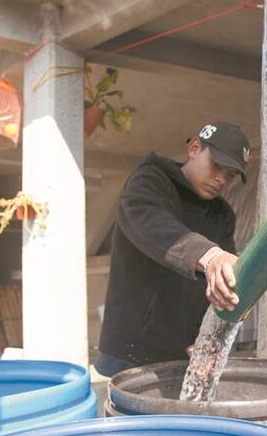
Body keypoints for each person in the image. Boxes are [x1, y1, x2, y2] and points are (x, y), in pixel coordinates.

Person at [94, 122, 249, 377]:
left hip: (182, 354)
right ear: (194, 148)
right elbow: (152, 224)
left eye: (231, 174)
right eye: (217, 166)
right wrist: (211, 256)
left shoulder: (223, 215)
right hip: (128, 351)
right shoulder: (150, 181)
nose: (221, 179)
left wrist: (209, 337)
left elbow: (220, 287)